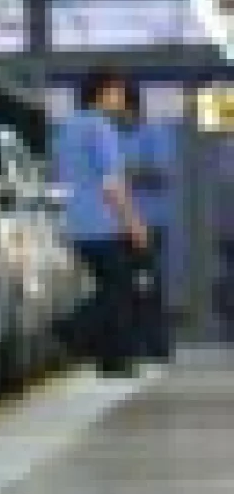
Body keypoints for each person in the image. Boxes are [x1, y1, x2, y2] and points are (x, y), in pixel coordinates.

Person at [53, 69, 152, 377]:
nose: (121, 99)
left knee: (109, 287)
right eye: (118, 93)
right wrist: (134, 223)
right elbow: (112, 185)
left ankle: (112, 361)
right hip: (101, 223)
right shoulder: (100, 128)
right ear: (103, 93)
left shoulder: (67, 128)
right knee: (118, 289)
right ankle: (73, 327)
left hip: (73, 222)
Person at [117, 87, 175, 363]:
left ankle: (155, 343)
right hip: (119, 224)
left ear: (133, 109)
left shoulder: (153, 134)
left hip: (149, 223)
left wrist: (131, 172)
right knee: (125, 286)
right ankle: (130, 343)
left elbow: (161, 173)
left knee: (148, 283)